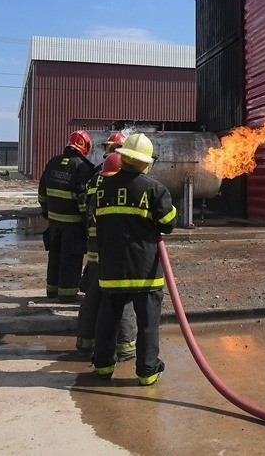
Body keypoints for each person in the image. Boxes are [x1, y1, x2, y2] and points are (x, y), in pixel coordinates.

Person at [92, 133, 177, 385]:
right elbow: (168, 223)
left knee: (107, 321)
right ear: (144, 162)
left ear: (124, 156)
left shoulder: (101, 188)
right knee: (148, 323)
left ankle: (104, 366)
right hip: (145, 270)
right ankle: (148, 371)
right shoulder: (154, 189)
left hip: (111, 268)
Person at [76, 133, 137, 359]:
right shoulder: (126, 177)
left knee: (93, 296)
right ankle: (125, 347)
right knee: (124, 298)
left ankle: (85, 341)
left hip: (95, 246)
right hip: (119, 249)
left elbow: (86, 209)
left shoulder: (95, 177)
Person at [37, 130, 96, 302]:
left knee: (54, 256)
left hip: (54, 223)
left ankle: (52, 291)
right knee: (70, 259)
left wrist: (47, 211)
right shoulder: (82, 167)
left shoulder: (53, 162)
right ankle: (67, 294)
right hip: (73, 224)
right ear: (85, 147)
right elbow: (83, 200)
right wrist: (88, 223)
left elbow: (42, 193)